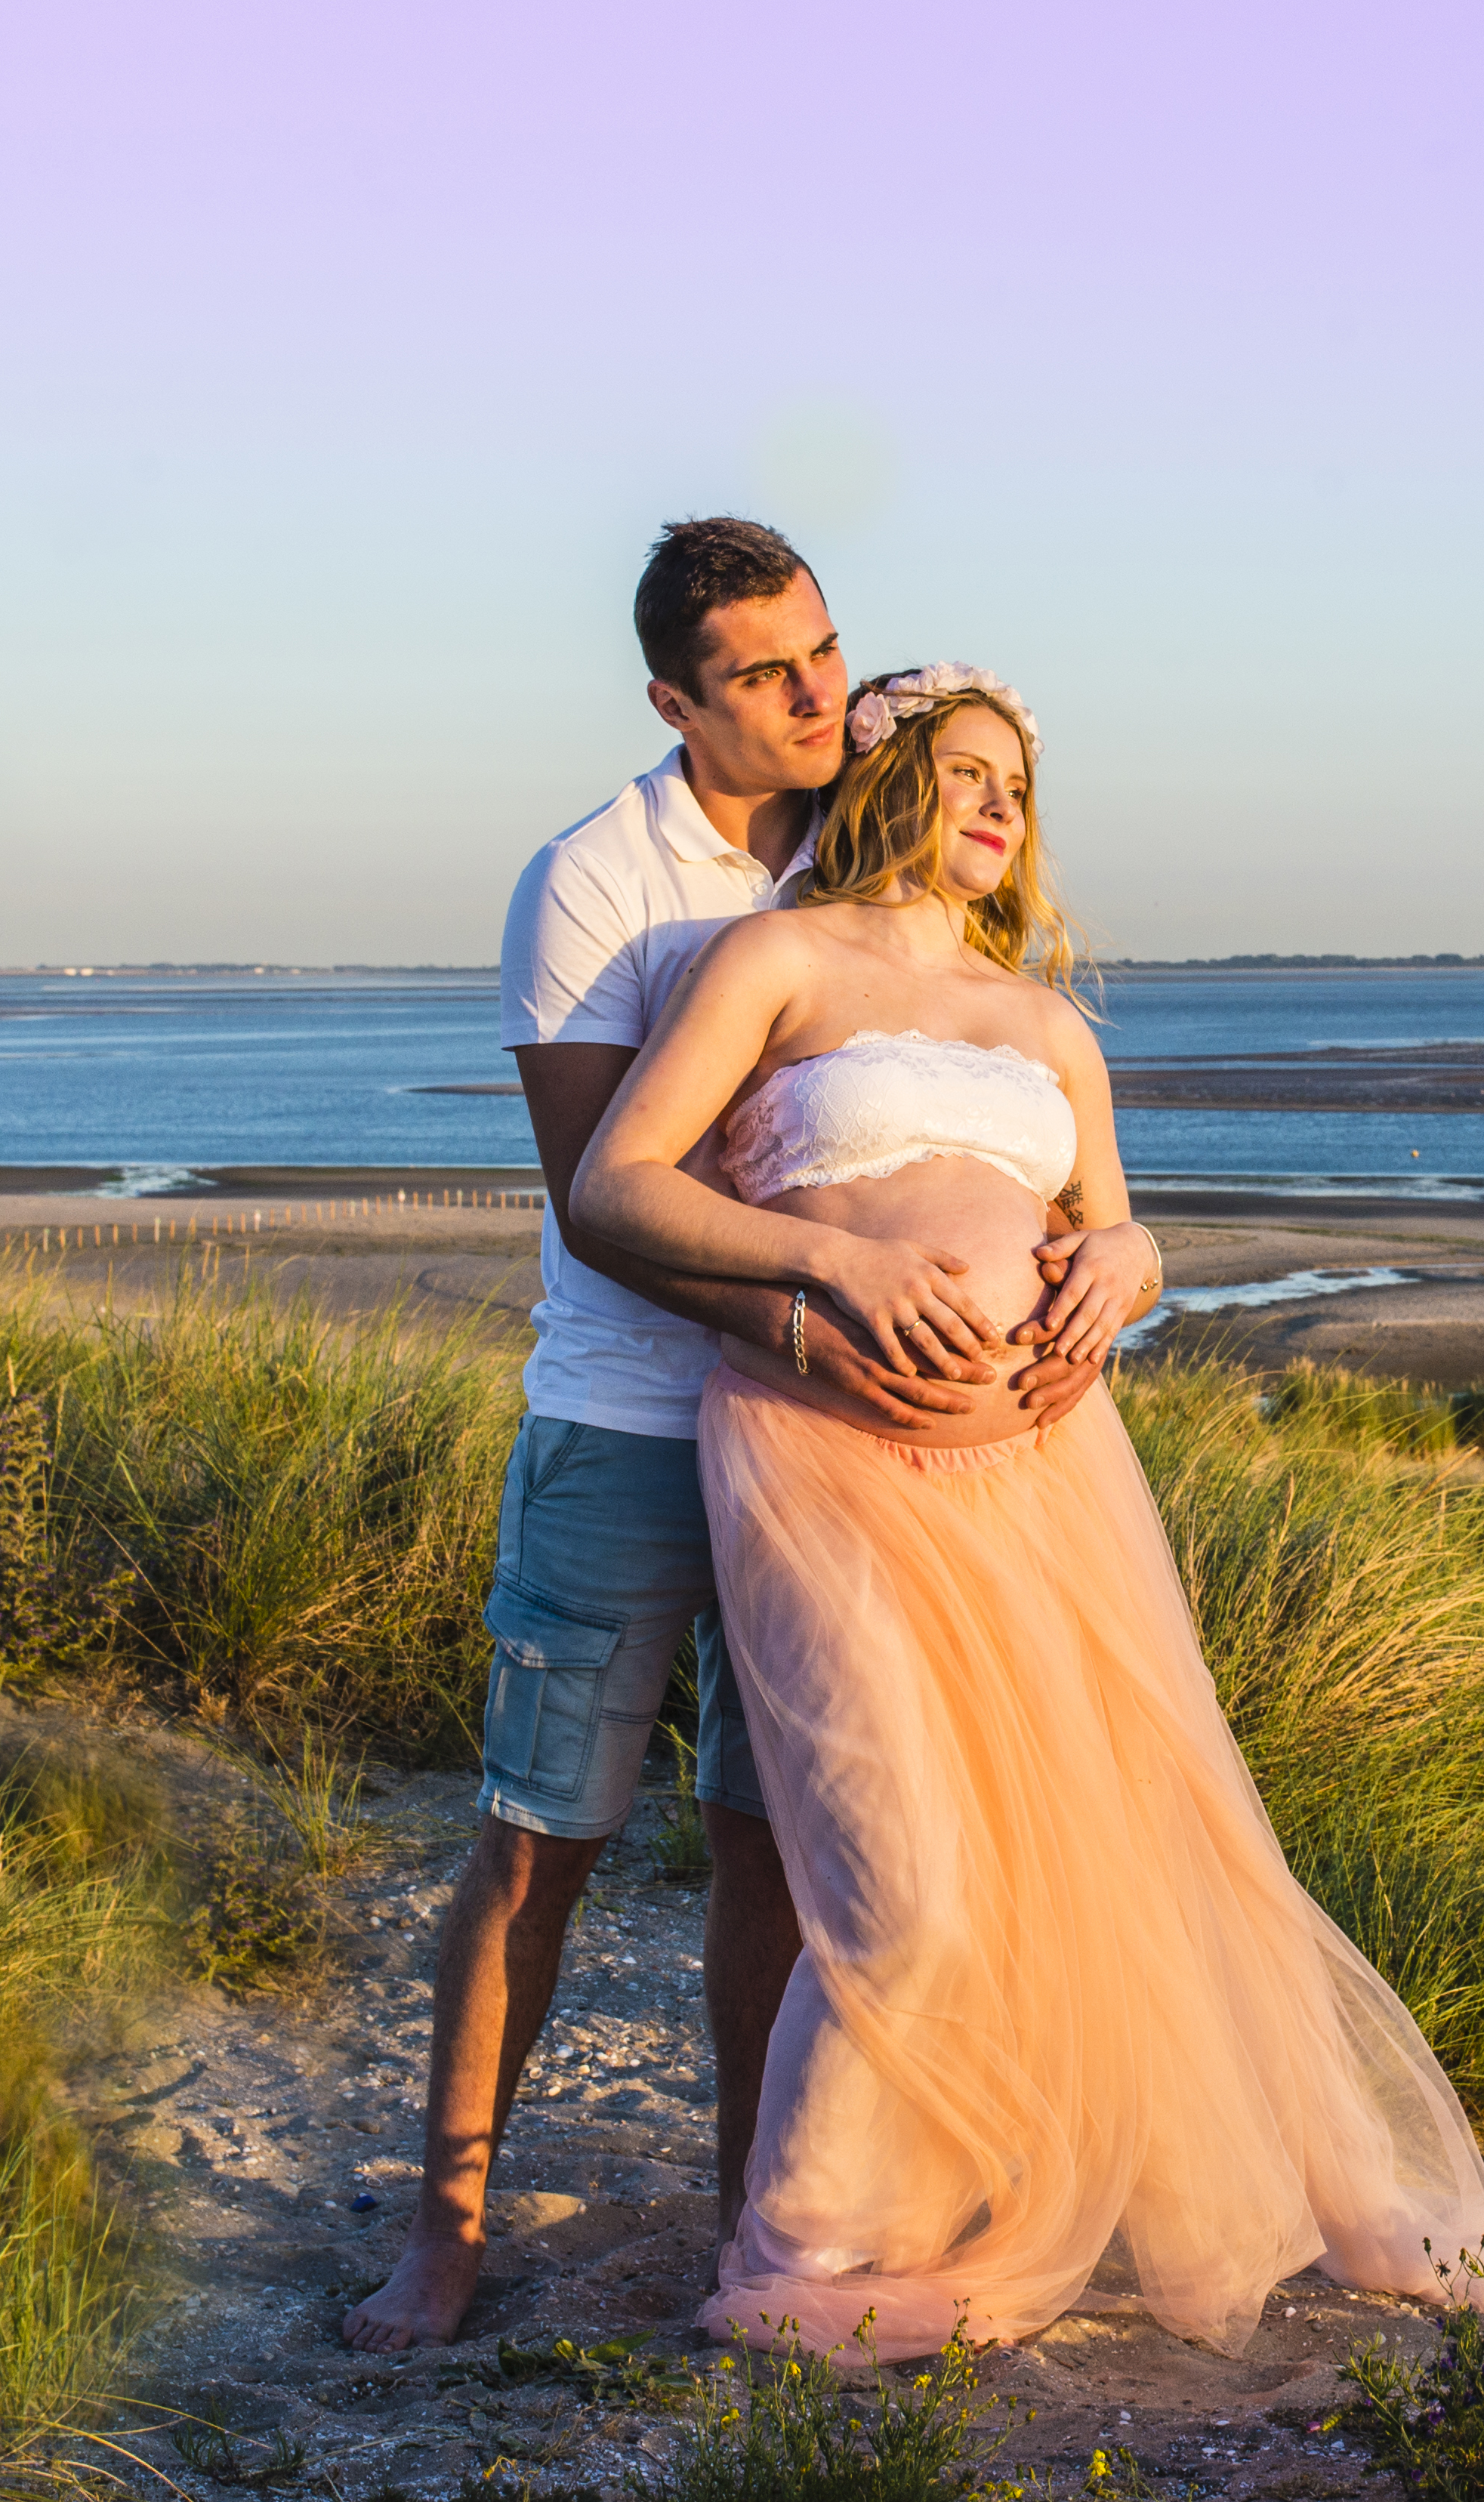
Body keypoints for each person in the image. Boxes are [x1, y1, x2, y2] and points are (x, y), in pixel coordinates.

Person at [571, 662, 1484, 2360]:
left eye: (1015, 789)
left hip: (1051, 1473)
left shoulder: (1044, 1023)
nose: (994, 808)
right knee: (906, 1879)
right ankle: (812, 2251)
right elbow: (617, 1184)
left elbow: (1119, 1230)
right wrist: (824, 1256)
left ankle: (943, 2201)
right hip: (826, 1458)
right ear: (885, 777)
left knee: (1127, 1844)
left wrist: (1123, 1254)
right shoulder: (773, 961)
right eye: (963, 772)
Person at [341, 526, 1103, 2356]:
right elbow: (607, 1205)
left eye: (827, 651)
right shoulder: (600, 883)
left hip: (851, 1468)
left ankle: (746, 2214)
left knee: (785, 1847)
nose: (818, 693)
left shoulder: (870, 839)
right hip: (632, 1422)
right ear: (677, 700)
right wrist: (815, 1314)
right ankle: (440, 2241)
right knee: (544, 1839)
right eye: (767, 674)